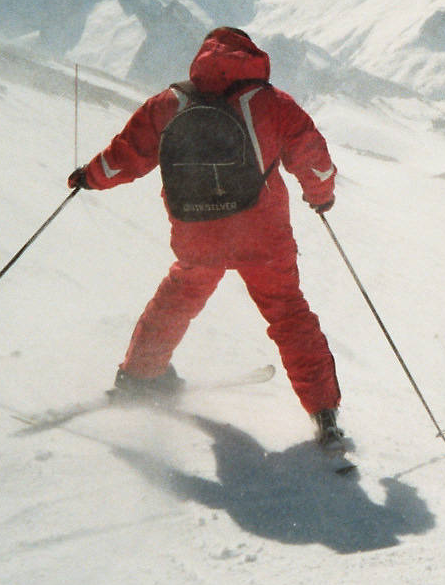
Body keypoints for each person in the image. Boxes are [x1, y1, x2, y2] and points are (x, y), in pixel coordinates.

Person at [67, 27, 346, 450]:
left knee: (179, 297)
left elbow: (126, 156)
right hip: (263, 235)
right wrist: (320, 197)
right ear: (250, 56)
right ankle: (323, 412)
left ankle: (140, 377)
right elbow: (314, 160)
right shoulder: (272, 103)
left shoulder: (169, 103)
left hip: (197, 231)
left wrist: (89, 177)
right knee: (288, 314)